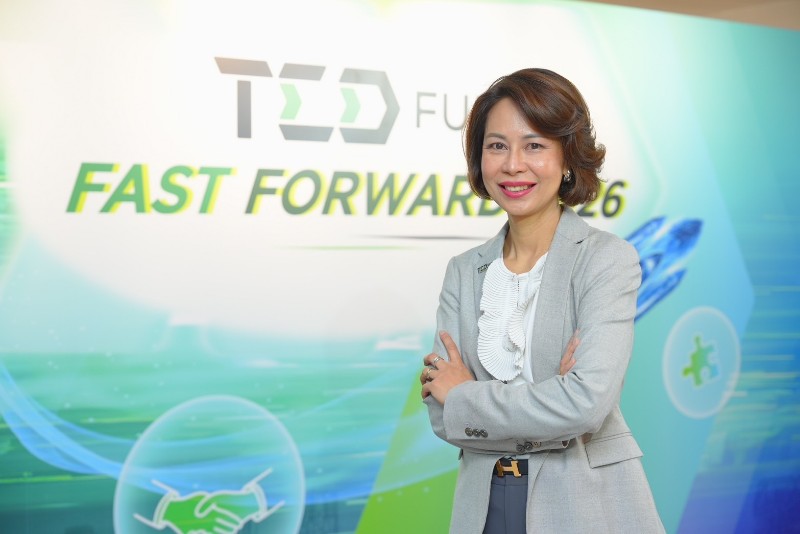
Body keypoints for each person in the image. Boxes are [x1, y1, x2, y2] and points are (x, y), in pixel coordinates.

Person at [420, 68, 664, 534]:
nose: (513, 165)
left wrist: (467, 396)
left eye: (534, 145)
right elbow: (441, 413)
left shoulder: (605, 259)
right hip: (483, 505)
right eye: (497, 146)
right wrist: (552, 399)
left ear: (566, 156)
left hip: (583, 502)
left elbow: (586, 404)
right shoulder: (463, 271)